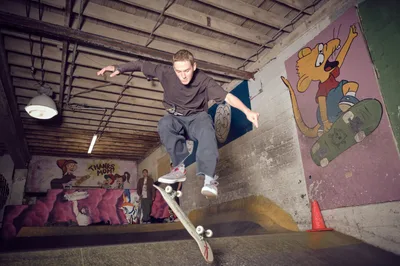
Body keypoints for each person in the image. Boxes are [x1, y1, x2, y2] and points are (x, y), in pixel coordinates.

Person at [97, 50, 259, 198]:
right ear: (173, 68)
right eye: (179, 71)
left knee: (207, 130)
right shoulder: (166, 72)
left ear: (194, 66)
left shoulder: (204, 81)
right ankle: (179, 168)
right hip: (176, 118)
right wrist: (119, 67)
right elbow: (141, 64)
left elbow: (227, 97)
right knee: (164, 123)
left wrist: (247, 111)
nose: (183, 76)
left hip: (197, 118)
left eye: (187, 71)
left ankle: (209, 179)